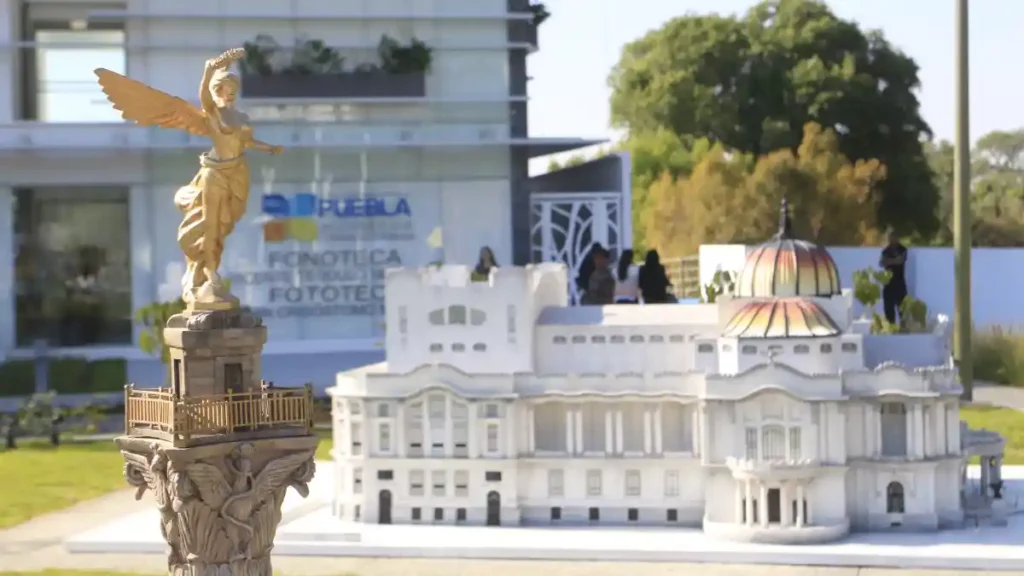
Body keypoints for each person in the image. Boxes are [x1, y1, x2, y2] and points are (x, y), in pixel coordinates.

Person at [879, 230, 909, 325]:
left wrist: (889, 261)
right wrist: (893, 261)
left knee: (903, 310)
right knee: (888, 309)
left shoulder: (902, 249)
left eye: (894, 237)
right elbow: (881, 262)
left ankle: (904, 329)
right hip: (888, 284)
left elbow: (900, 260)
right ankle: (891, 329)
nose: (892, 239)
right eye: (890, 238)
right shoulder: (886, 250)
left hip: (899, 283)